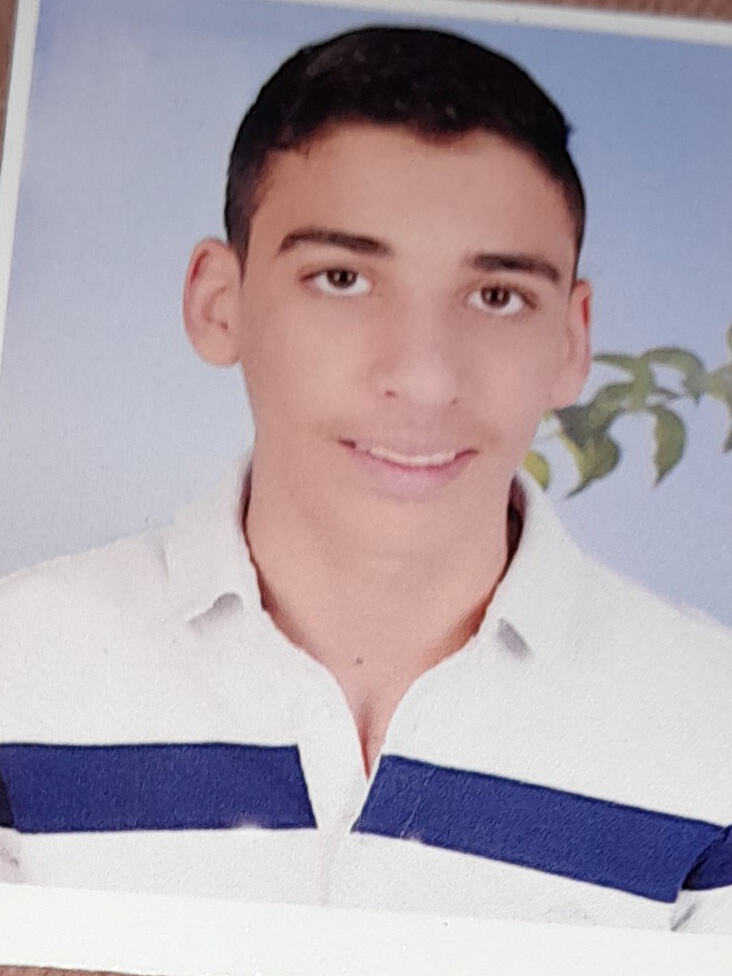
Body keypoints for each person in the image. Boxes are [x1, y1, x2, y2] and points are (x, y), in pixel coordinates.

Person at [0, 25, 730, 933]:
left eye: (497, 296)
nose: (422, 378)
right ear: (219, 303)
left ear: (571, 341)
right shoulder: (18, 666)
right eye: (342, 277)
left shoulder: (712, 723)